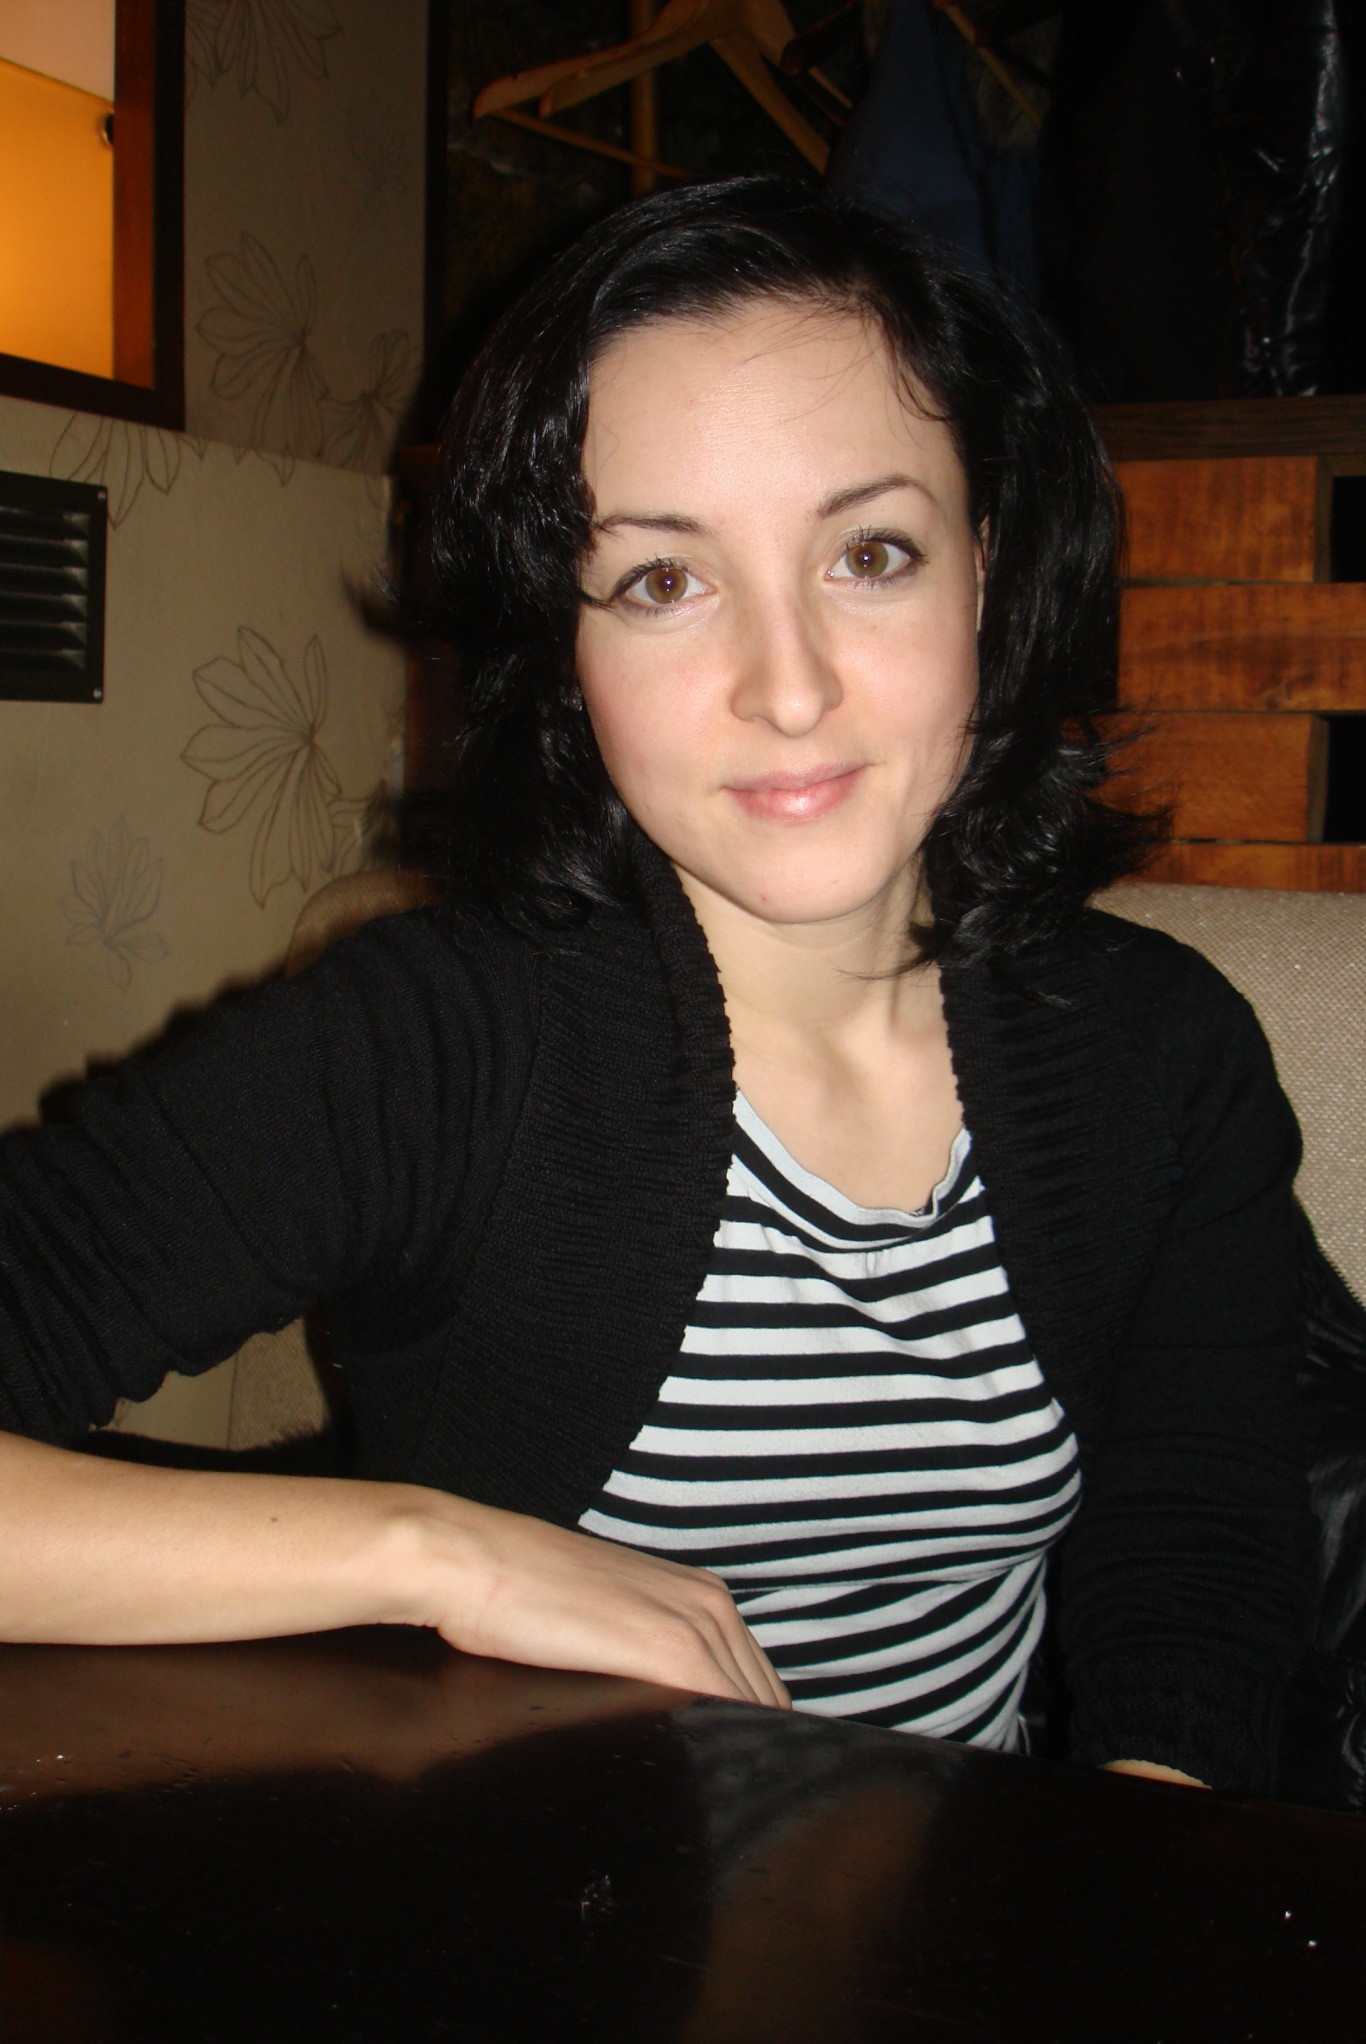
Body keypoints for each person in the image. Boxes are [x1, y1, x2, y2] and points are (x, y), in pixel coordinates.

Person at [0, 178, 1310, 1794]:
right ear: (566, 651)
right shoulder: (432, 1042)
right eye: (661, 582)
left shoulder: (1164, 1055)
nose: (787, 686)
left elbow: (1195, 1568)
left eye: (870, 553)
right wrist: (430, 1553)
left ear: (986, 569)